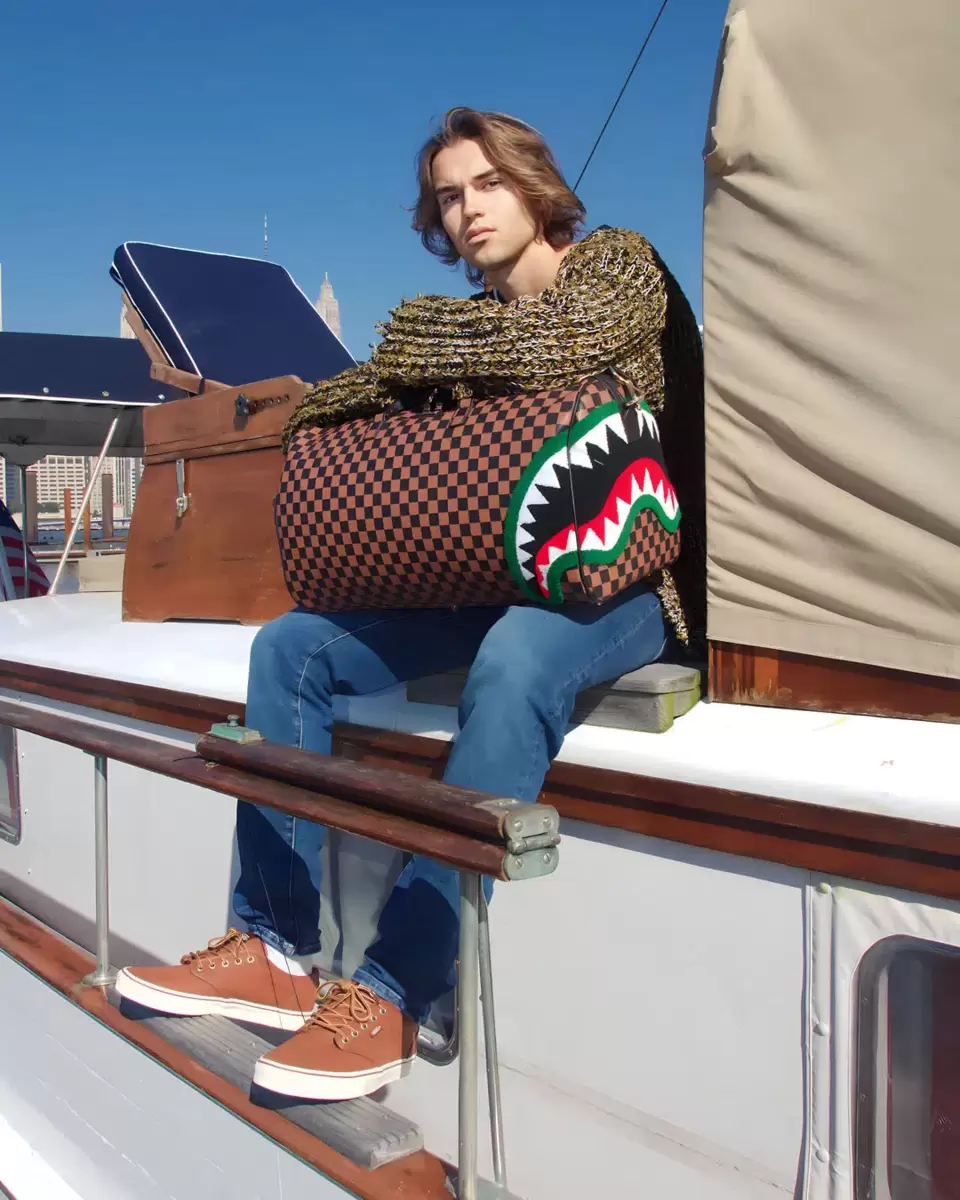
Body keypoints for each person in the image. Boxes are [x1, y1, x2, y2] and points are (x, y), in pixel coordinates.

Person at [116, 107, 704, 1102]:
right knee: (292, 648)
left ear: (535, 185)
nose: (469, 209)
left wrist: (416, 343)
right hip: (493, 579)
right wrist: (391, 376)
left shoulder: (617, 265)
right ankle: (273, 944)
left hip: (621, 578)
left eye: (488, 183)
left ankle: (398, 986)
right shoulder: (465, 342)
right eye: (449, 196)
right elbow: (342, 404)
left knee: (517, 660)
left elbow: (565, 344)